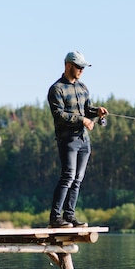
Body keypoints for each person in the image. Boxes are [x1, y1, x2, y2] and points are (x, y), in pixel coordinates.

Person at [47, 51, 108, 228]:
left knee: (78, 179)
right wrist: (83, 120)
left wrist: (97, 112)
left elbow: (86, 110)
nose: (81, 70)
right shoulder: (56, 89)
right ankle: (55, 218)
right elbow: (59, 115)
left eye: (83, 67)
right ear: (68, 66)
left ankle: (70, 216)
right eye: (79, 67)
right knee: (68, 176)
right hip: (67, 140)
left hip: (83, 141)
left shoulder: (83, 88)